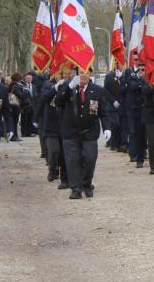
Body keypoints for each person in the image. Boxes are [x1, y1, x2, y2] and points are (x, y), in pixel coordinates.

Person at [55, 66, 112, 199]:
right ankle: (76, 188)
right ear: (76, 74)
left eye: (86, 72)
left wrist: (107, 127)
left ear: (90, 74)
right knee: (72, 161)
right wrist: (69, 87)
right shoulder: (68, 88)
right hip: (70, 132)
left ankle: (86, 184)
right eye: (81, 72)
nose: (83, 75)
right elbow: (58, 101)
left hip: (89, 131)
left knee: (90, 159)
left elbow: (103, 112)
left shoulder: (97, 90)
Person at [40, 69, 68, 189]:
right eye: (59, 74)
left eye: (64, 74)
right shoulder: (47, 85)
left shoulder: (68, 86)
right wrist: (55, 88)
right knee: (54, 150)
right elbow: (44, 98)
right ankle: (52, 170)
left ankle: (63, 177)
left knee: (63, 154)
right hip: (51, 124)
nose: (61, 76)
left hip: (63, 124)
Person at [124, 54, 146, 167]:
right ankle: (134, 154)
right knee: (133, 131)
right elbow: (131, 86)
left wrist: (140, 83)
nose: (138, 61)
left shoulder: (145, 70)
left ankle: (142, 152)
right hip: (132, 106)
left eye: (140, 59)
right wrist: (141, 83)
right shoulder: (129, 72)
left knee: (143, 132)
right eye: (136, 60)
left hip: (144, 106)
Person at [103, 65, 128, 152]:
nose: (120, 67)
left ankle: (120, 144)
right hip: (112, 105)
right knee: (115, 124)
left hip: (123, 105)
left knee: (122, 126)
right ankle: (114, 143)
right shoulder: (109, 76)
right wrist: (113, 101)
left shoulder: (125, 75)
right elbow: (105, 90)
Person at [141, 64, 154, 175]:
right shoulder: (145, 81)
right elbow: (147, 91)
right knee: (152, 141)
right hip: (150, 115)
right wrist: (153, 83)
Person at [8, 73, 24, 142]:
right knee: (15, 121)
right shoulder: (15, 85)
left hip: (11, 105)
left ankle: (14, 135)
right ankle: (14, 136)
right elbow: (19, 95)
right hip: (15, 105)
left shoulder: (11, 84)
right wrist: (23, 93)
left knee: (14, 121)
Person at [20, 73, 35, 137]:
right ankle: (23, 133)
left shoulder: (34, 86)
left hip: (32, 106)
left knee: (30, 120)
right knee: (24, 120)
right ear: (25, 79)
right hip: (25, 106)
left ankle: (29, 132)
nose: (29, 79)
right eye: (28, 78)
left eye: (30, 78)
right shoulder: (22, 86)